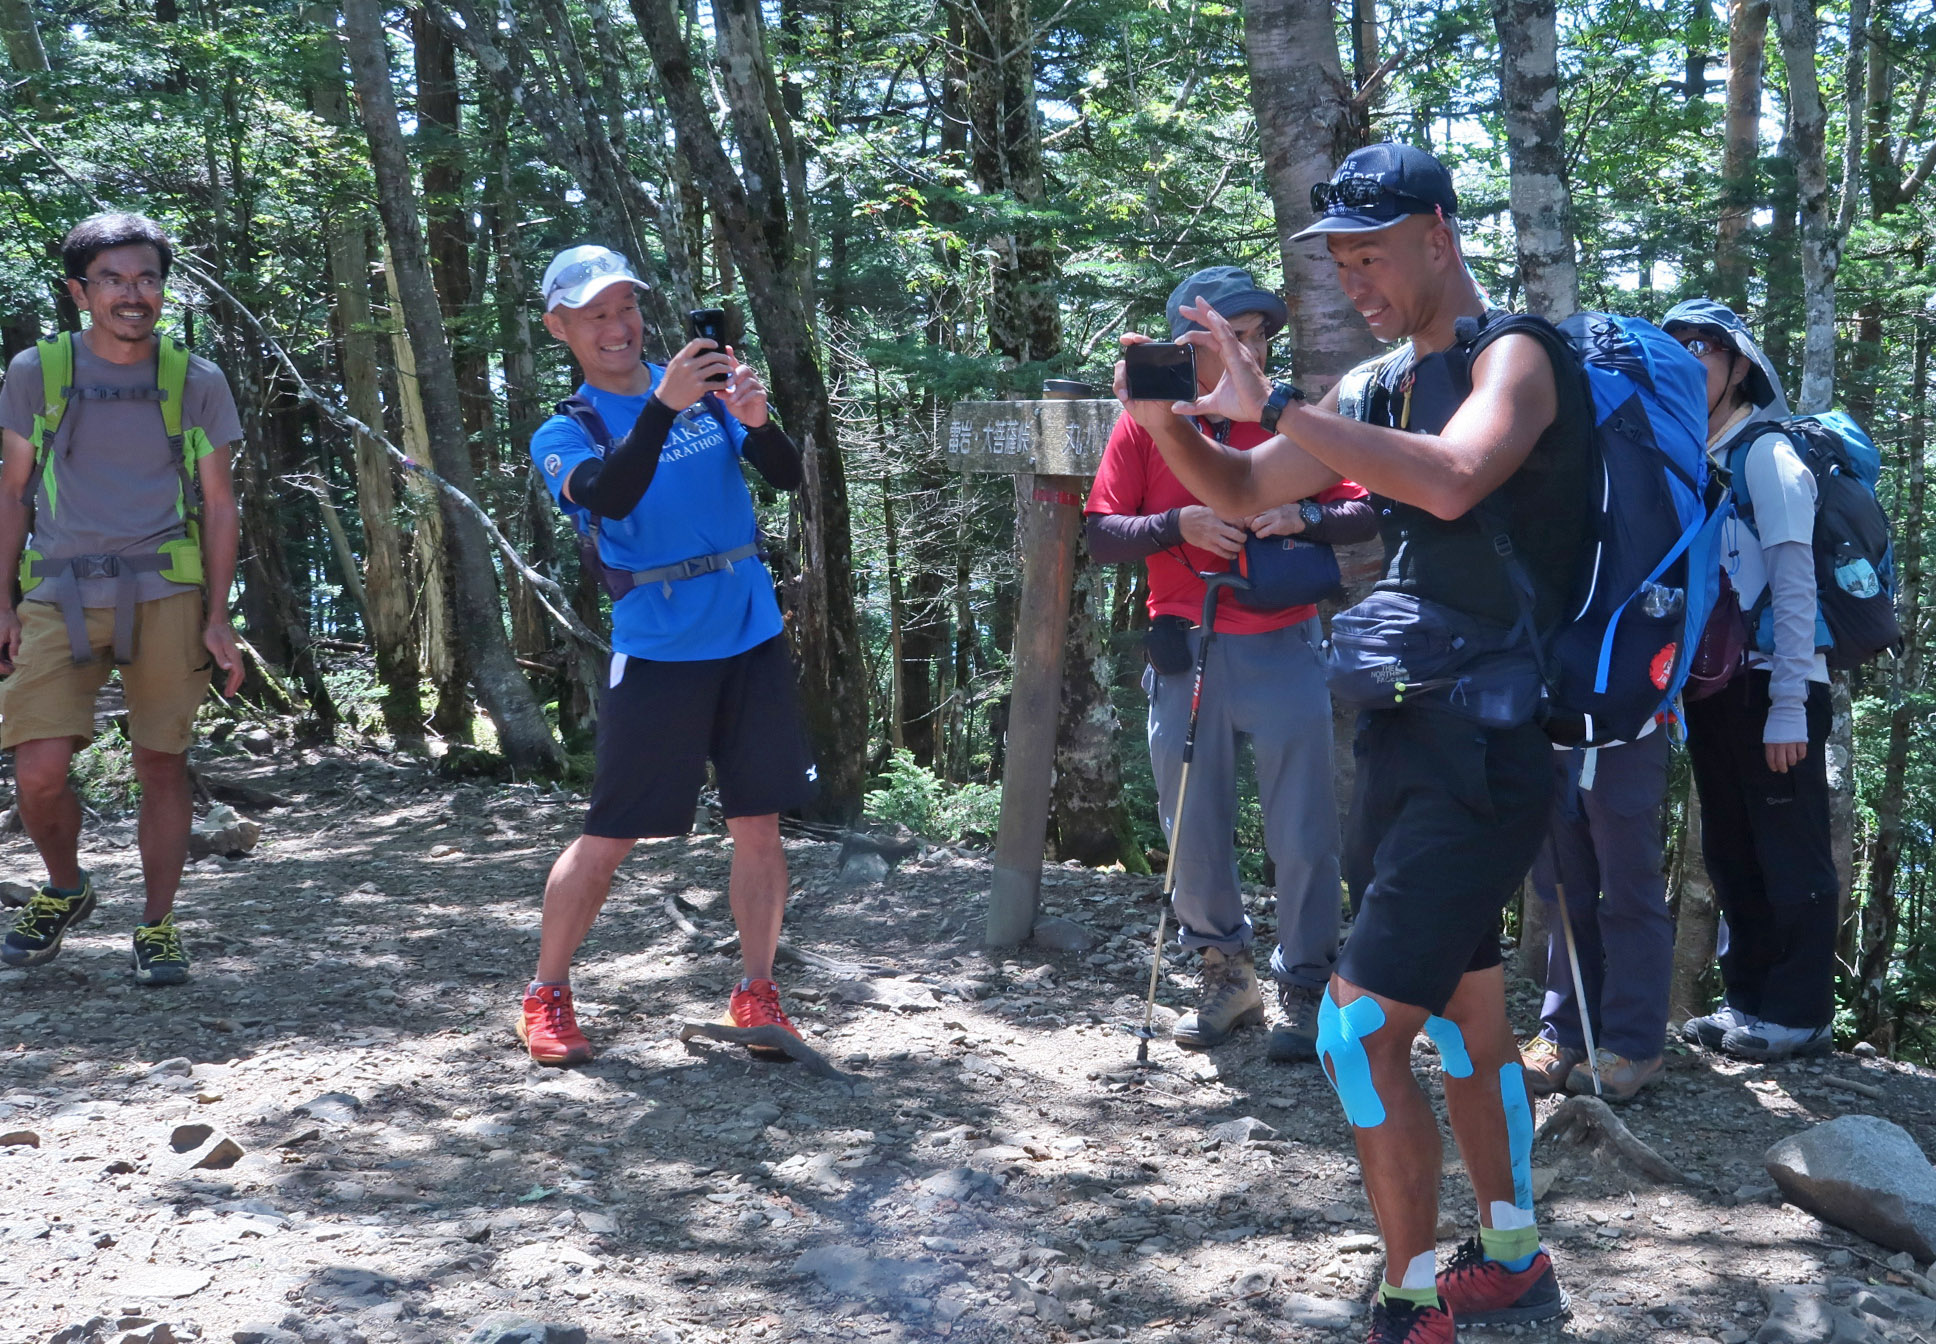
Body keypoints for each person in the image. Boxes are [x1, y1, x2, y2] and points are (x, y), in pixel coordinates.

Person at [1115, 144, 1584, 1344]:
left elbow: (1455, 480)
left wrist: (1278, 405)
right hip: (1402, 727)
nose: (1355, 282)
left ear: (1440, 232)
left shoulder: (1515, 356)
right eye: (1339, 262)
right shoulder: (1376, 386)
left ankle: (1409, 1299)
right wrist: (1168, 418)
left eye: (1372, 255)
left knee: (1353, 1025)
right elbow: (1233, 486)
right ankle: (1513, 1257)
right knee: (1471, 1013)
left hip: (1489, 747)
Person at [521, 245, 818, 1067]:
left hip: (749, 629)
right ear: (561, 328)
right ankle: (547, 993)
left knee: (758, 823)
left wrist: (756, 421)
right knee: (613, 830)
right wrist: (662, 404)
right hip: (658, 645)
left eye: (625, 308)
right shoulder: (565, 429)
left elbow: (787, 477)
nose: (616, 327)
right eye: (594, 315)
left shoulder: (706, 392)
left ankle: (758, 993)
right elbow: (610, 495)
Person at [1085, 264, 1373, 1060]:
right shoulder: (1144, 424)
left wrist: (1302, 514)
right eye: (1227, 336)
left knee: (1304, 829)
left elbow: (1365, 502)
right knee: (1194, 831)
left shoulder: (1292, 418)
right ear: (1186, 344)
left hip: (1283, 640)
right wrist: (1179, 524)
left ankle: (1307, 982)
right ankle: (1222, 970)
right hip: (1186, 646)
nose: (1247, 351)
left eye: (1257, 336)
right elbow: (1104, 532)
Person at [0, 211, 246, 985]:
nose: (132, 294)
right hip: (56, 590)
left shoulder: (194, 380)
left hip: (163, 590)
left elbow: (219, 502)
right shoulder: (35, 372)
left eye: (146, 278)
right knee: (38, 770)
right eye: (112, 279)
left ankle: (159, 925)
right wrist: (1, 602)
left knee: (162, 764)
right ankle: (66, 889)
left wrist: (217, 617)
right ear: (80, 292)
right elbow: (12, 492)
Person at [1663, 298, 1837, 1063]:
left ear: (1739, 367)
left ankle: (1799, 1015)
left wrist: (1792, 706)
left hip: (1776, 687)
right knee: (1732, 846)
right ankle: (1752, 1006)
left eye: (1702, 347)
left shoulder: (1767, 455)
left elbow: (1796, 588)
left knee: (1787, 847)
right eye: (1675, 349)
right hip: (1716, 690)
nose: (1687, 361)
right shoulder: (1697, 458)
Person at [1522, 732, 1674, 1101]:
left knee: (1630, 892)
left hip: (1625, 735)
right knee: (1561, 891)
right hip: (1547, 738)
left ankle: (1635, 1044)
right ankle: (1566, 1032)